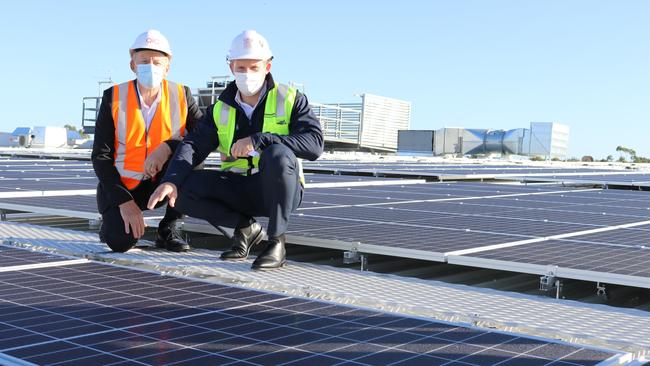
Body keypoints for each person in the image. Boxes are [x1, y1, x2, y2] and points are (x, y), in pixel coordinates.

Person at [148, 30, 323, 270]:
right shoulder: (220, 109)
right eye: (241, 68)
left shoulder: (290, 99)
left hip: (279, 190)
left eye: (254, 67)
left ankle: (276, 243)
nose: (247, 74)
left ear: (267, 67)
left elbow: (314, 145)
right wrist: (170, 181)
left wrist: (260, 140)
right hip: (239, 188)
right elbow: (192, 144)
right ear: (231, 67)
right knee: (183, 189)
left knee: (277, 154)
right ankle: (244, 230)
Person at [92, 29, 202, 253]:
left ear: (167, 67)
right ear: (132, 65)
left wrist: (169, 147)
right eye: (144, 61)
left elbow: (202, 138)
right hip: (123, 186)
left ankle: (169, 227)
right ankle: (111, 221)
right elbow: (100, 156)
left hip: (163, 183)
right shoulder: (113, 96)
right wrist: (124, 201)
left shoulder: (182, 95)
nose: (150, 67)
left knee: (194, 159)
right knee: (119, 242)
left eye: (156, 62)